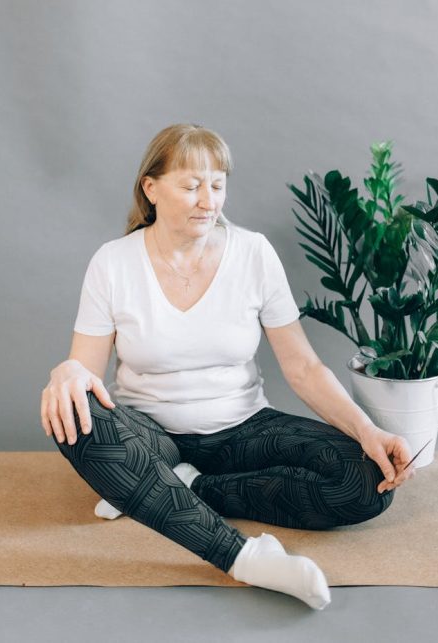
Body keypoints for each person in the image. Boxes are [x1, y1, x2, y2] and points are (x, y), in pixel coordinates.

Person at [40, 123, 415, 610]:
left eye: (217, 185)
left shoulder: (254, 252)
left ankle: (166, 488)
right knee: (75, 413)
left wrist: (368, 432)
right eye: (191, 185)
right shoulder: (113, 263)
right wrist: (66, 372)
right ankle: (242, 557)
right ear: (151, 189)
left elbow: (302, 367)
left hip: (243, 430)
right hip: (147, 432)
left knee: (366, 483)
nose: (208, 200)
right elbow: (84, 373)